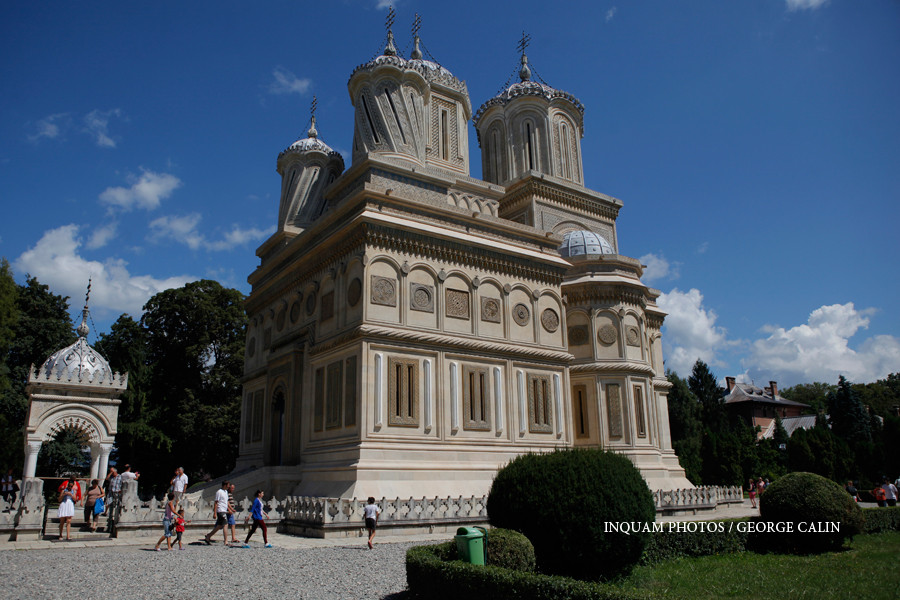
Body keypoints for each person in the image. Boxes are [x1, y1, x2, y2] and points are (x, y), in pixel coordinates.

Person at [204, 481, 230, 546]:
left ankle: (208, 536)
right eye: (228, 485)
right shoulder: (219, 492)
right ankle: (226, 541)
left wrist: (230, 509)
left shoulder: (226, 492)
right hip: (220, 510)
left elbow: (226, 502)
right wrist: (215, 513)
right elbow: (216, 502)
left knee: (220, 525)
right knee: (225, 525)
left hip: (224, 510)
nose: (229, 486)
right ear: (225, 485)